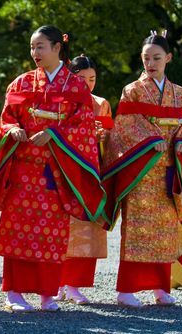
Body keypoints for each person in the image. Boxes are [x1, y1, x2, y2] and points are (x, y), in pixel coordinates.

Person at [0, 25, 105, 312]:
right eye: (32, 47)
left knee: (51, 234)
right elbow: (6, 119)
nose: (35, 53)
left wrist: (55, 135)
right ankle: (14, 292)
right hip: (24, 170)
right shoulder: (21, 83)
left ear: (57, 48)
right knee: (17, 232)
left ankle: (46, 293)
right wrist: (13, 129)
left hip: (56, 171)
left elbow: (83, 128)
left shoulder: (76, 87)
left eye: (40, 47)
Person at [102, 30, 182, 307]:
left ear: (168, 58)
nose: (150, 63)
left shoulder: (181, 94)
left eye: (156, 58)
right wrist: (150, 140)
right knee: (138, 230)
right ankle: (126, 290)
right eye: (146, 58)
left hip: (168, 169)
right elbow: (126, 126)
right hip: (141, 171)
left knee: (166, 231)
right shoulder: (133, 90)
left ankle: (161, 288)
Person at [55, 55, 112, 304]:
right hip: (67, 170)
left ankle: (76, 285)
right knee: (62, 229)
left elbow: (112, 137)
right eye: (81, 79)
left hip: (92, 171)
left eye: (92, 79)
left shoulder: (101, 103)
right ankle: (57, 282)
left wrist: (104, 137)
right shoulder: (62, 100)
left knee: (88, 229)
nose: (88, 84)